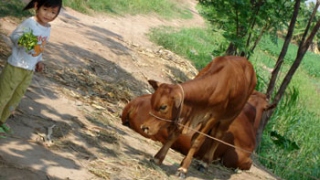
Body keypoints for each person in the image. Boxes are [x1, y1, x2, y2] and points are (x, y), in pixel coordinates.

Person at [0, 0, 62, 136]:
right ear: (36, 6)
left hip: (29, 69)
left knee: (16, 96)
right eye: (45, 9)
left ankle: (2, 121)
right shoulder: (30, 23)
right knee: (4, 95)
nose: (48, 15)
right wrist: (25, 41)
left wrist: (39, 61)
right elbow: (14, 36)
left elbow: (41, 48)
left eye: (53, 12)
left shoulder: (47, 28)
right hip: (16, 66)